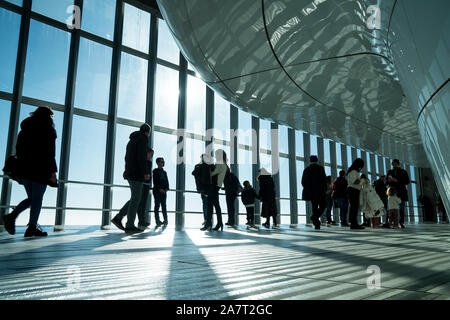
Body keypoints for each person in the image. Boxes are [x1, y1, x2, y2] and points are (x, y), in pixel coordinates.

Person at [3, 107, 58, 237]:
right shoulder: (48, 129)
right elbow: (50, 152)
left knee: (33, 198)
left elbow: (18, 149)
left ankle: (28, 224)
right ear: (48, 116)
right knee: (37, 199)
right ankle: (22, 221)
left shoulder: (24, 129)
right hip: (41, 167)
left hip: (25, 168)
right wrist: (52, 171)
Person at [112, 123, 151, 233]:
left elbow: (127, 157)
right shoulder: (142, 139)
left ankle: (118, 218)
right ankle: (129, 225)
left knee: (135, 198)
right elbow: (141, 157)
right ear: (147, 132)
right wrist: (145, 172)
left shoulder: (132, 140)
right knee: (136, 199)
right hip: (136, 173)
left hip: (130, 172)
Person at [203, 149, 228, 232]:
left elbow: (214, 173)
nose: (215, 156)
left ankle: (209, 224)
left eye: (217, 154)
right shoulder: (224, 164)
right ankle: (219, 223)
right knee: (216, 206)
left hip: (214, 187)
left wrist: (206, 172)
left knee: (210, 206)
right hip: (217, 186)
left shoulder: (219, 163)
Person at [301, 155, 326, 230]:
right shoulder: (320, 168)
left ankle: (316, 224)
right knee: (323, 205)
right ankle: (314, 218)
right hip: (320, 191)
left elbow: (303, 182)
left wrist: (308, 189)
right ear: (317, 160)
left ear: (310, 161)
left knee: (314, 207)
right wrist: (324, 188)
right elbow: (324, 179)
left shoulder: (307, 169)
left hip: (311, 192)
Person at [384, 159, 410, 228]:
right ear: (392, 164)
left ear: (398, 164)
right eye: (393, 163)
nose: (394, 165)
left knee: (401, 208)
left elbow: (407, 181)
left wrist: (397, 180)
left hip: (400, 192)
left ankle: (400, 222)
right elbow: (385, 182)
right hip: (392, 192)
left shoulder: (403, 171)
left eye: (395, 163)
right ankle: (389, 222)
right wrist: (388, 181)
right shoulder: (390, 172)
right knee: (389, 208)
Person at [192, 153, 212, 226]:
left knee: (206, 204)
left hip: (206, 188)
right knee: (206, 204)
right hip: (205, 189)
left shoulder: (207, 166)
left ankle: (207, 220)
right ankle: (207, 220)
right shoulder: (201, 166)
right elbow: (196, 176)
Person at [347, 158, 365, 230]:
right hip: (353, 190)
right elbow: (355, 182)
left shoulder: (353, 171)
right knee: (354, 207)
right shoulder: (353, 171)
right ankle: (354, 224)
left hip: (353, 190)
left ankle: (354, 223)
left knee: (354, 207)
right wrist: (362, 180)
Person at [153, 157, 169, 227]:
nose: (162, 163)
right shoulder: (155, 171)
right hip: (157, 191)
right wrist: (159, 188)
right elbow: (155, 181)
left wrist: (167, 189)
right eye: (161, 162)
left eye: (163, 162)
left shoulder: (165, 172)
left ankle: (165, 220)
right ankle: (157, 221)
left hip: (164, 192)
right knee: (157, 206)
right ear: (157, 163)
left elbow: (166, 181)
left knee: (164, 206)